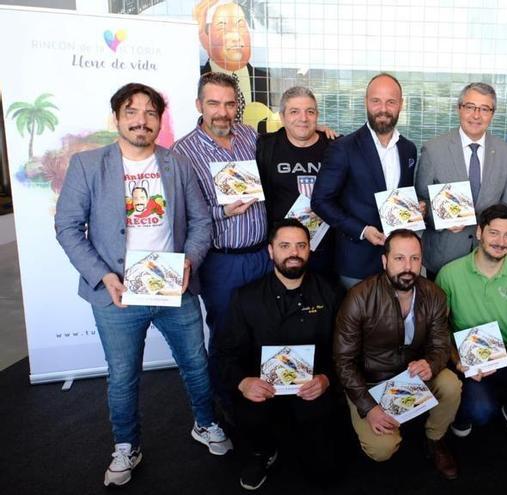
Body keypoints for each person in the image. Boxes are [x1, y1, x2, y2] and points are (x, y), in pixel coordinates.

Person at [55, 83, 231, 487]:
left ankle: (204, 424)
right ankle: (126, 444)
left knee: (196, 365)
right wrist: (103, 275)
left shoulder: (177, 164)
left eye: (151, 113)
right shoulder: (88, 166)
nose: (141, 120)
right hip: (116, 293)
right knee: (122, 376)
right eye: (132, 112)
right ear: (116, 118)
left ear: (160, 120)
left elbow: (202, 222)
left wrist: (190, 261)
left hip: (173, 287)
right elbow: (67, 227)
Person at [212, 219, 344, 490]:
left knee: (326, 473)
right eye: (285, 246)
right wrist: (244, 382)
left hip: (312, 388)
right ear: (271, 251)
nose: (293, 253)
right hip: (263, 390)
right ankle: (262, 452)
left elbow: (346, 351)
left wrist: (326, 379)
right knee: (250, 415)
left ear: (309, 250)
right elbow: (225, 354)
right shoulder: (245, 297)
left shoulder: (332, 294)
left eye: (301, 246)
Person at [334, 230, 462, 479]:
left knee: (451, 384)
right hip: (369, 383)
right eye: (399, 258)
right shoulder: (358, 298)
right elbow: (343, 362)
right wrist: (368, 407)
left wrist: (431, 364)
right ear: (384, 261)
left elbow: (441, 346)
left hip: (411, 376)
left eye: (415, 259)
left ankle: (434, 439)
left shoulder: (434, 295)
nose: (408, 266)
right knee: (382, 449)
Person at [435, 204, 507, 453]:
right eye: (494, 233)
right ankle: (466, 408)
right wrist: (458, 362)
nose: (501, 242)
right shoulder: (449, 274)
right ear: (479, 232)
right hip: (467, 357)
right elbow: (439, 329)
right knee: (480, 411)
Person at [172, 72, 271, 348]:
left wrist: (318, 130)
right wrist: (222, 212)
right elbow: (181, 212)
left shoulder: (250, 136)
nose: (223, 112)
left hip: (263, 256)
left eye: (229, 104)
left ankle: (261, 390)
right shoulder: (182, 152)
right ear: (198, 105)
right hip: (221, 261)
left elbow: (286, 147)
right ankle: (226, 392)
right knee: (227, 331)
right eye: (214, 104)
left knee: (265, 327)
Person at [312, 73, 418, 289]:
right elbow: (321, 201)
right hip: (356, 263)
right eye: (376, 101)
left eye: (391, 102)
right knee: (356, 322)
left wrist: (419, 207)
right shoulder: (343, 148)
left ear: (401, 105)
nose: (383, 108)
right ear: (366, 103)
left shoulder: (408, 149)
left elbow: (401, 198)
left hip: (398, 264)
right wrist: (362, 230)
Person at [415, 82, 507, 278]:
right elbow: (420, 204)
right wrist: (442, 219)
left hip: (490, 255)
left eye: (484, 109)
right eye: (470, 107)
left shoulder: (505, 151)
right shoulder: (433, 150)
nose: (476, 115)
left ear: (492, 113)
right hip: (444, 256)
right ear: (459, 109)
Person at [256, 86, 336, 278]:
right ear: (282, 117)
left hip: (327, 252)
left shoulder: (336, 146)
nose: (303, 118)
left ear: (317, 115)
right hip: (282, 253)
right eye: (294, 112)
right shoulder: (265, 146)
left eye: (310, 112)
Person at [193, 0, 274, 131]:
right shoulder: (196, 78)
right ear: (205, 38)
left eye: (240, 24)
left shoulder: (262, 78)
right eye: (222, 26)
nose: (235, 35)